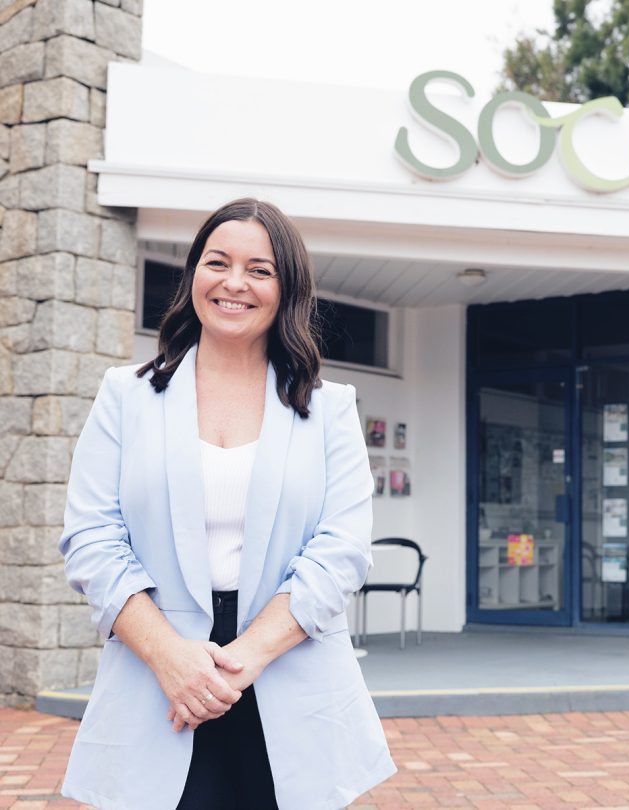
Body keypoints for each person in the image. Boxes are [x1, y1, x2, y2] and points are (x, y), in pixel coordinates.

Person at [58, 198, 397, 809]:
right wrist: (171, 658)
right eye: (217, 263)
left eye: (259, 270)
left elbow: (342, 551)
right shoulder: (125, 396)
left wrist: (238, 661)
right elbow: (91, 539)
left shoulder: (330, 409)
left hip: (285, 667)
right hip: (158, 678)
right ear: (193, 274)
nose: (234, 283)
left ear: (286, 289)